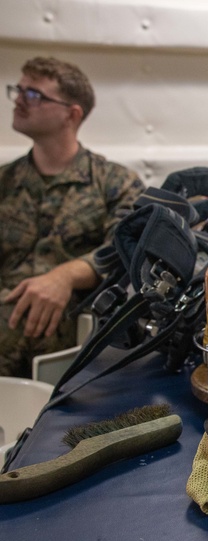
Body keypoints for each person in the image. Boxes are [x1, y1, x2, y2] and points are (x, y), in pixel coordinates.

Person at [1, 56, 145, 378]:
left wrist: (64, 276)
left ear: (72, 114)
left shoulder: (113, 182)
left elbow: (127, 249)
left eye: (34, 94)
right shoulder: (5, 183)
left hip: (72, 353)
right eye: (19, 90)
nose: (19, 100)